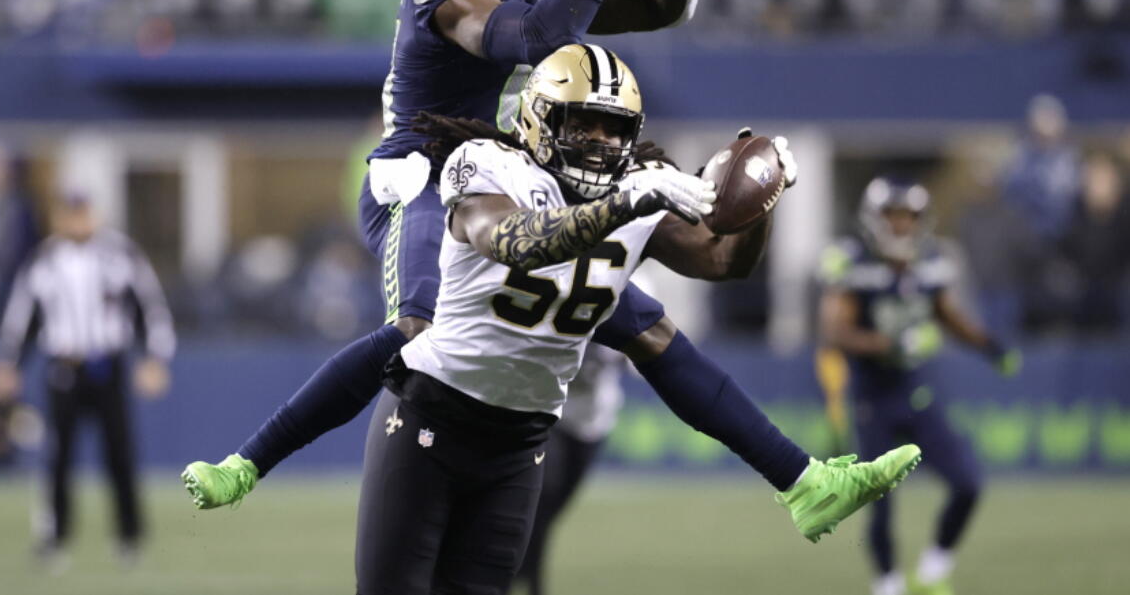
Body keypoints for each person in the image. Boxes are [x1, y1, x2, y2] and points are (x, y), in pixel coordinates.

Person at [186, 45, 922, 594]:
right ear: (541, 121)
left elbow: (722, 261)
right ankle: (247, 460)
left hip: (521, 446)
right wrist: (625, 205)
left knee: (658, 335)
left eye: (615, 129)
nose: (604, 143)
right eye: (587, 125)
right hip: (427, 424)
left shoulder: (633, 190)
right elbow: (516, 241)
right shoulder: (486, 164)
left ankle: (802, 482)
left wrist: (758, 199)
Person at [817, 177, 1020, 595]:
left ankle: (931, 572)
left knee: (967, 483)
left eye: (909, 216)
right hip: (871, 397)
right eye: (893, 216)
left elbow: (948, 314)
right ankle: (888, 586)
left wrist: (988, 346)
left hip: (915, 392)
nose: (902, 226)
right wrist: (892, 343)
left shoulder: (929, 261)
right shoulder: (854, 262)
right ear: (874, 219)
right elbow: (835, 332)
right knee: (879, 501)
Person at [0, 192, 176, 567]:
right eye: (69, 214)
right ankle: (55, 537)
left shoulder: (120, 253)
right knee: (58, 455)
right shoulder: (43, 260)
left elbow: (149, 307)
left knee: (119, 452)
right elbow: (22, 317)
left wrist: (155, 358)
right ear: (58, 218)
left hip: (108, 363)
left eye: (82, 214)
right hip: (64, 366)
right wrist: (8, 364)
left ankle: (129, 537)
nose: (77, 222)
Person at [511, 342, 627, 595]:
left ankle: (520, 570)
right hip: (550, 413)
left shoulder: (622, 304)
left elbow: (640, 347)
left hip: (594, 418)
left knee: (552, 510)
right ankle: (531, 583)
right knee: (541, 501)